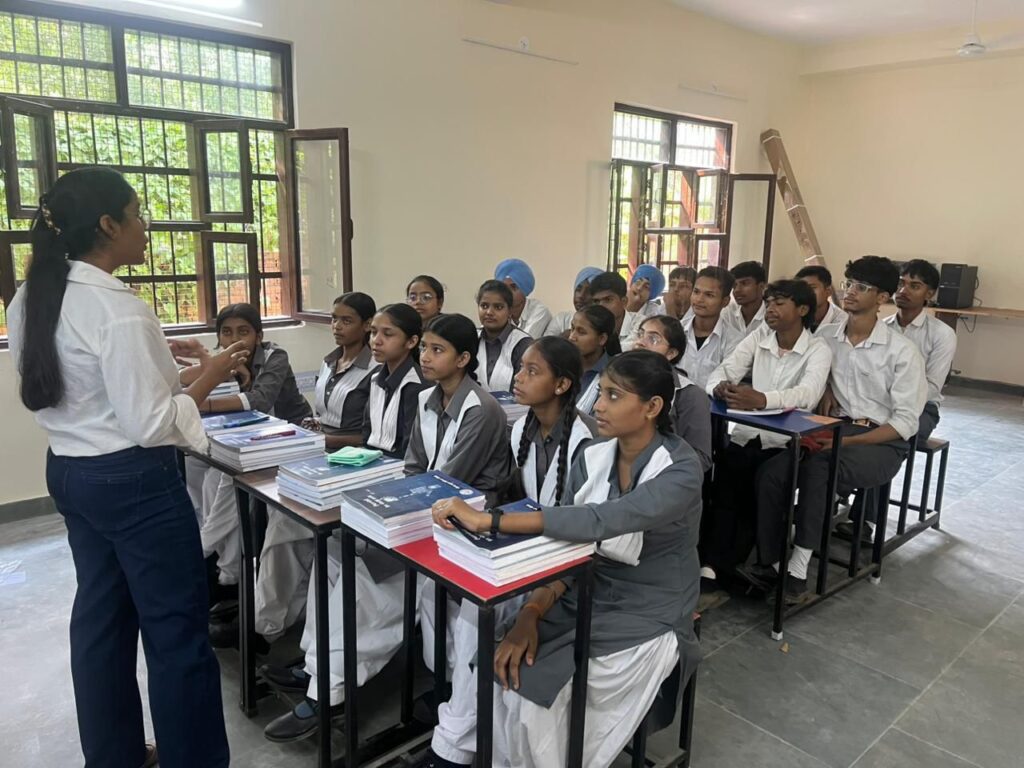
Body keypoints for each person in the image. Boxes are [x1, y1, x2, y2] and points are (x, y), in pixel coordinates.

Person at [6, 167, 238, 768]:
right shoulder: (117, 306)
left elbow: (97, 394)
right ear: (108, 225)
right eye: (138, 215)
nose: (145, 227)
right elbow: (149, 423)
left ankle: (115, 755)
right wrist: (210, 376)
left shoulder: (33, 295)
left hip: (71, 472)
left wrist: (174, 367)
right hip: (135, 483)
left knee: (102, 619)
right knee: (175, 633)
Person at [430, 351, 703, 768]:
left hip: (650, 606)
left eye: (614, 396)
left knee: (535, 696)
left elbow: (601, 520)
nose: (599, 405)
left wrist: (491, 520)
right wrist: (532, 613)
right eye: (601, 392)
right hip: (586, 585)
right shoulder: (593, 456)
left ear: (652, 407)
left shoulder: (680, 469)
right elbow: (569, 550)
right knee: (503, 664)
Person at [416, 336, 598, 767]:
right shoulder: (521, 430)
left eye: (533, 371)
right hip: (528, 553)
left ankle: (454, 739)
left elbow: (584, 530)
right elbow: (517, 499)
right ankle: (461, 713)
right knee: (460, 600)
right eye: (519, 368)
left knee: (478, 613)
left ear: (561, 385)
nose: (518, 378)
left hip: (570, 567)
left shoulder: (587, 442)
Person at [261, 304, 430, 741]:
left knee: (364, 587)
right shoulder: (378, 380)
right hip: (373, 484)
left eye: (387, 334)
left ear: (412, 342)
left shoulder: (419, 389)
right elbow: (372, 443)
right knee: (329, 556)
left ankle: (327, 692)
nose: (376, 341)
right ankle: (315, 665)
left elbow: (412, 461)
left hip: (404, 506)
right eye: (375, 333)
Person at [740, 257, 926, 603]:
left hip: (881, 443)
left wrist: (847, 441)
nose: (850, 291)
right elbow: (813, 374)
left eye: (861, 287)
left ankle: (798, 568)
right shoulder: (825, 338)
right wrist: (826, 387)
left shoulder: (902, 351)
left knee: (819, 468)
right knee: (772, 474)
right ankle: (771, 562)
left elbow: (904, 423)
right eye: (848, 283)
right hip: (832, 430)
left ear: (882, 297)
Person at [229, 293, 379, 649]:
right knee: (271, 515)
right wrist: (314, 426)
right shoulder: (331, 361)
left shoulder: (374, 370)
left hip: (349, 461)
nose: (336, 327)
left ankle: (267, 622)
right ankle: (265, 612)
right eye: (334, 319)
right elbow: (324, 414)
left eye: (346, 320)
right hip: (320, 453)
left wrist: (324, 438)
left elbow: (371, 436)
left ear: (366, 325)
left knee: (284, 525)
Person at [702, 280, 832, 590]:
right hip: (748, 433)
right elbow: (724, 370)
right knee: (724, 487)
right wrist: (719, 387)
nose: (770, 309)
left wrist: (763, 399)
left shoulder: (818, 349)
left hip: (787, 441)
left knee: (760, 487)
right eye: (769, 303)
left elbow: (808, 395)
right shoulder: (759, 337)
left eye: (779, 303)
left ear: (802, 309)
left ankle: (745, 564)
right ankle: (714, 564)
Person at [405, 314, 515, 674]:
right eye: (424, 347)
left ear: (463, 359)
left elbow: (454, 480)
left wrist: (409, 503)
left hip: (472, 513)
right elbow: (413, 464)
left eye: (437, 350)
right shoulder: (426, 398)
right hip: (430, 505)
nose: (425, 357)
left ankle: (453, 679)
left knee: (429, 586)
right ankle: (443, 675)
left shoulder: (480, 408)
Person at [190, 304, 312, 609]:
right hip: (250, 440)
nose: (235, 339)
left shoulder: (275, 356)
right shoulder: (221, 360)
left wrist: (201, 404)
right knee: (207, 476)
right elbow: (190, 385)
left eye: (243, 332)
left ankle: (210, 553)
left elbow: (260, 399)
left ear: (259, 335)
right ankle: (228, 568)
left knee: (227, 480)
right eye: (227, 332)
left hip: (291, 439)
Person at [883, 259, 956, 443]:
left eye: (914, 286)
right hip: (879, 401)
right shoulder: (881, 328)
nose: (903, 291)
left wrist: (893, 398)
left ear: (929, 293)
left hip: (922, 408)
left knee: (892, 435)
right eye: (901, 283)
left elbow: (932, 387)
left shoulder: (942, 334)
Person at [633, 315, 713, 473]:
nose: (640, 342)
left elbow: (700, 459)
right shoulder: (621, 380)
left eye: (653, 339)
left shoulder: (690, 395)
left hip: (664, 477)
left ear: (671, 353)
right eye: (640, 334)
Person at [680, 266, 742, 390]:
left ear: (725, 301)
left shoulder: (734, 340)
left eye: (709, 295)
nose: (699, 299)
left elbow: (725, 383)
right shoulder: (677, 330)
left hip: (711, 401)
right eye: (696, 292)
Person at [476, 279, 533, 392]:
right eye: (484, 306)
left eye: (498, 307)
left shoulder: (523, 344)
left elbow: (525, 388)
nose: (489, 312)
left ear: (510, 311)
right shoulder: (471, 337)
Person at [568, 304, 621, 416]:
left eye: (581, 332)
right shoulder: (561, 364)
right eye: (572, 328)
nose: (572, 337)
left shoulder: (612, 375)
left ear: (602, 339)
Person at [495, 258, 551, 338]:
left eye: (514, 287)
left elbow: (524, 342)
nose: (507, 293)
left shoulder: (539, 311)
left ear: (524, 289)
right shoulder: (499, 309)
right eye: (503, 288)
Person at [544, 266, 602, 337]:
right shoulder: (562, 319)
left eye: (589, 291)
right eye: (578, 289)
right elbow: (544, 342)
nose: (581, 296)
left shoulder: (604, 326)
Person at [590, 271, 641, 351]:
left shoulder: (641, 324)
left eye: (608, 300)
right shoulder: (590, 324)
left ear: (624, 302)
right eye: (596, 301)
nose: (601, 306)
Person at [722, 260, 767, 338]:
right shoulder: (728, 312)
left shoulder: (771, 315)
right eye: (734, 285)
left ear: (761, 286)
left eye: (744, 283)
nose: (737, 290)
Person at [796, 265, 846, 332]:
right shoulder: (794, 318)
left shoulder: (844, 324)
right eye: (802, 289)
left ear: (828, 291)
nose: (806, 293)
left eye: (812, 288)